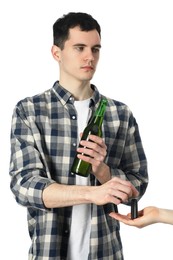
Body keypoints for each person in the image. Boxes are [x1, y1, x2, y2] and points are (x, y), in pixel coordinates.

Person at [9, 12, 149, 260]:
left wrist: (104, 173)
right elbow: (24, 186)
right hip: (49, 253)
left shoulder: (119, 114)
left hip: (105, 252)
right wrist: (92, 193)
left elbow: (138, 184)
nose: (90, 57)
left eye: (95, 49)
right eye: (79, 48)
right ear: (57, 53)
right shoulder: (30, 111)